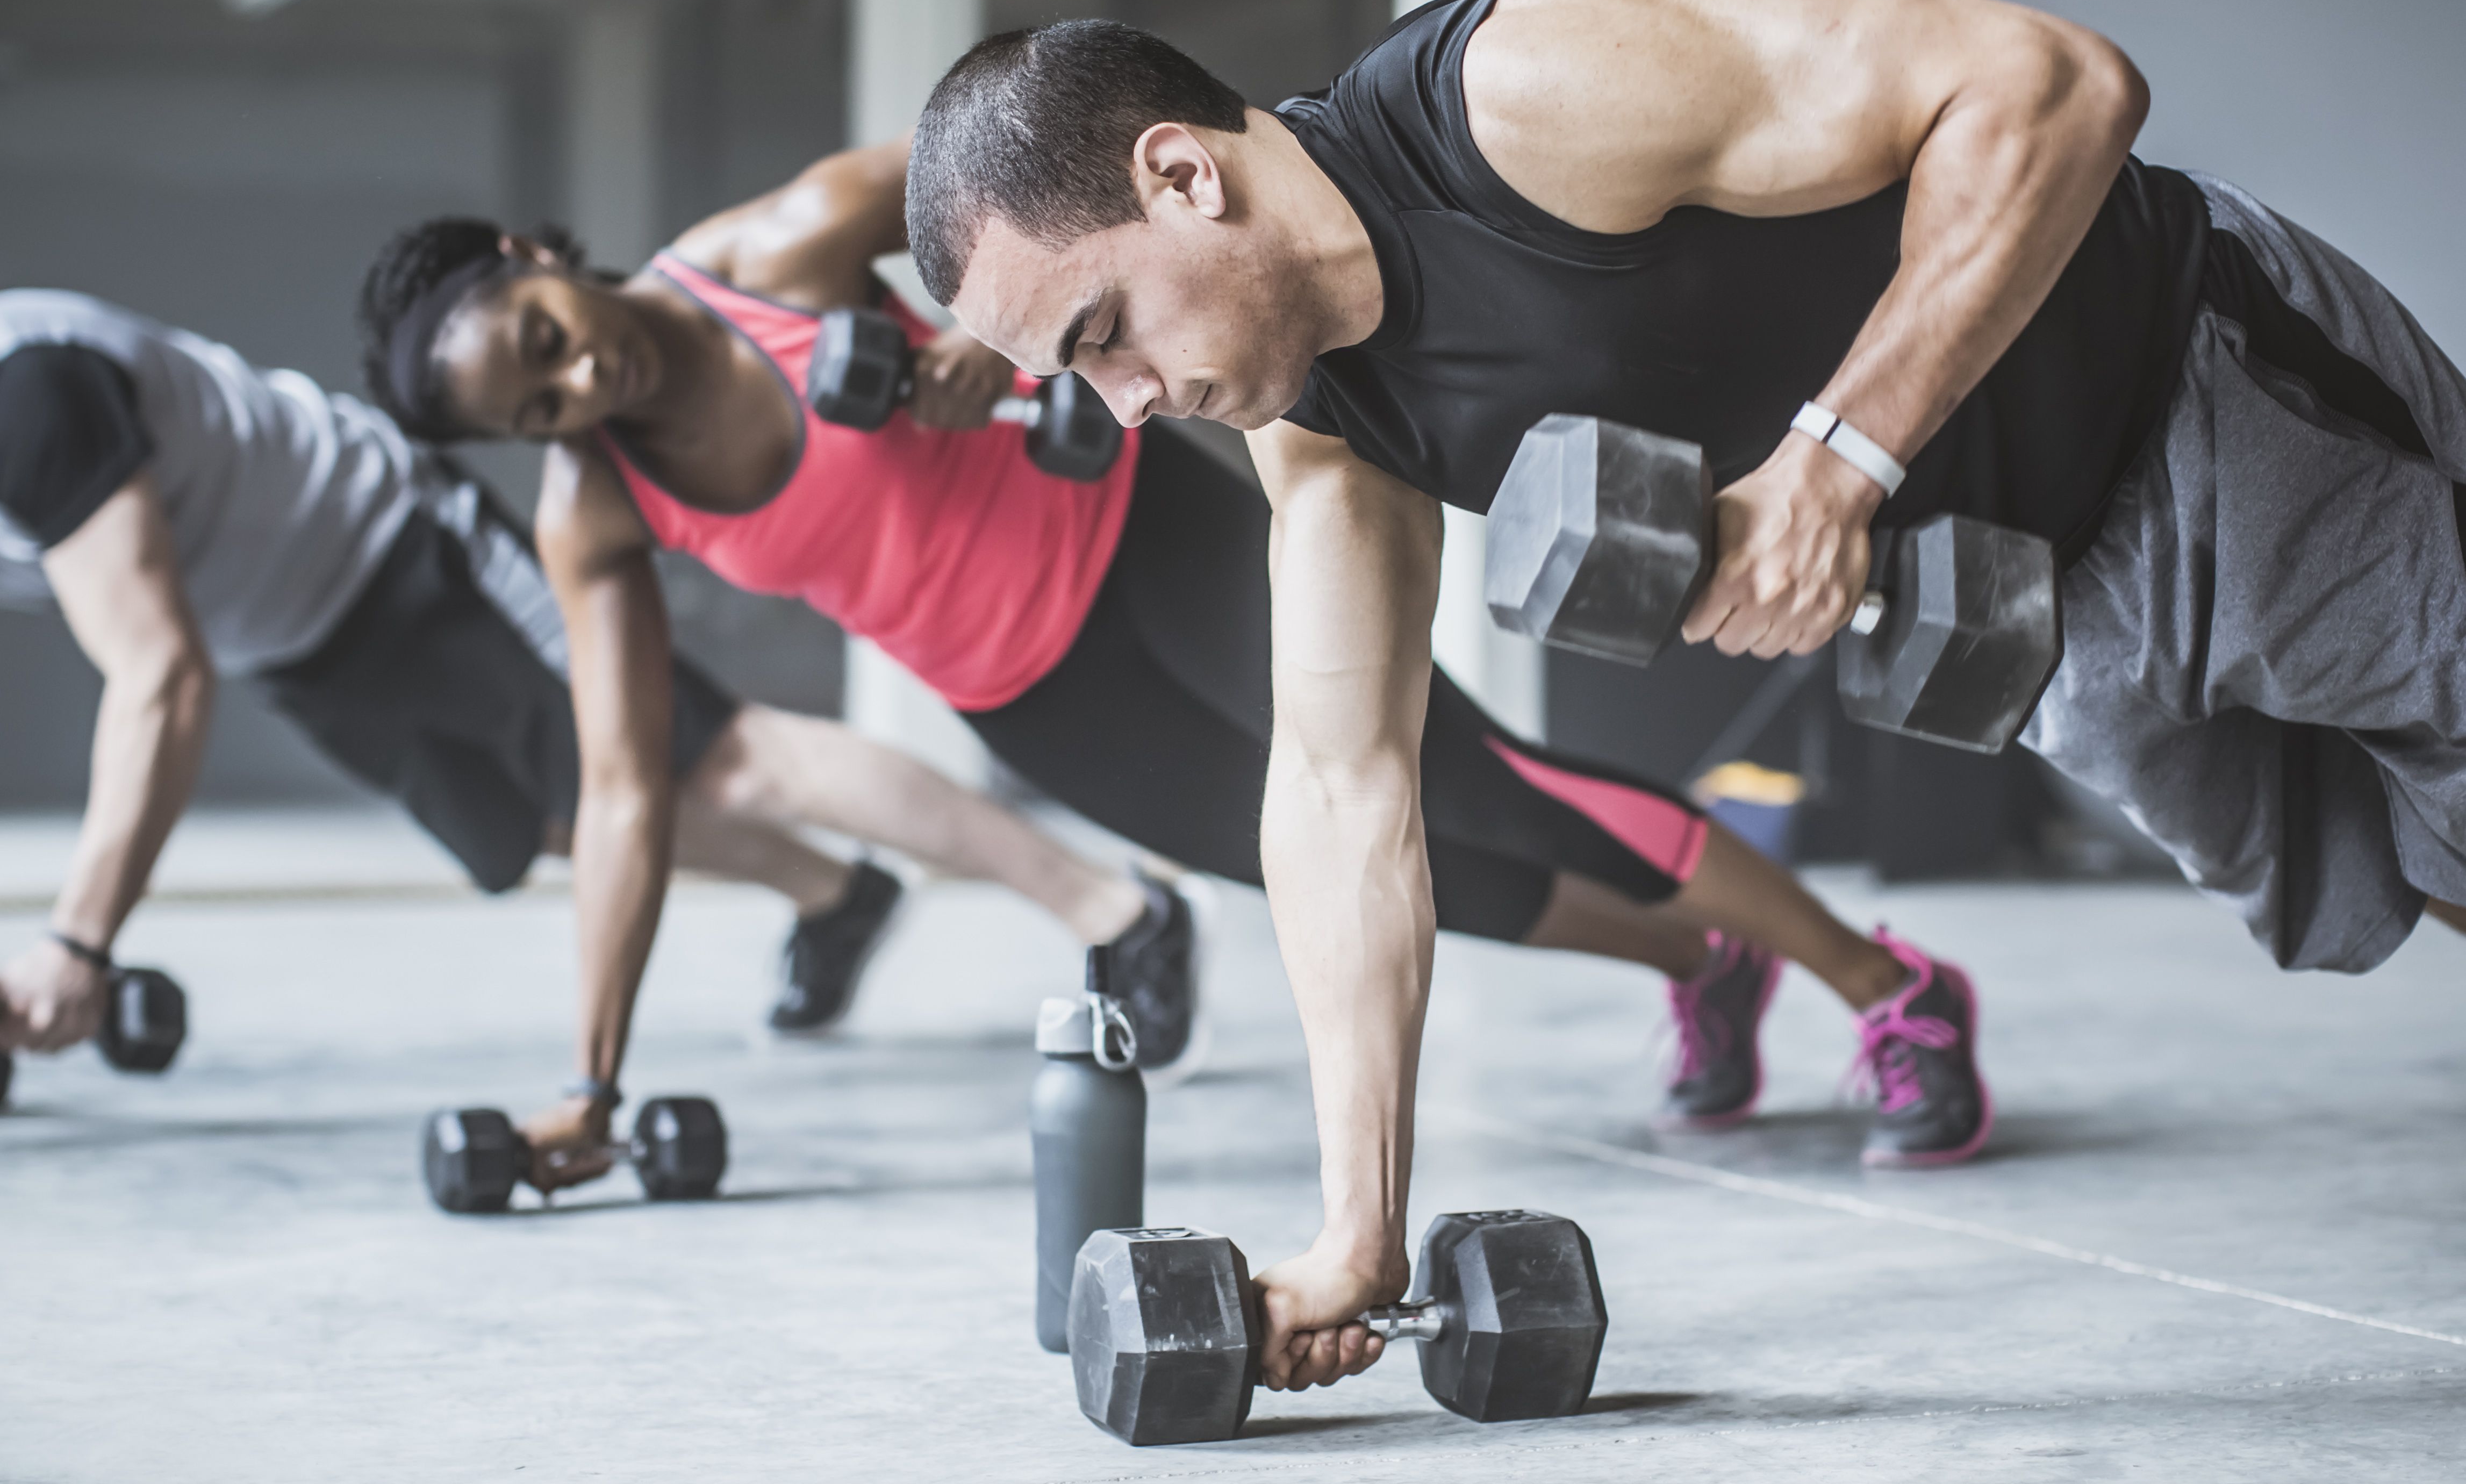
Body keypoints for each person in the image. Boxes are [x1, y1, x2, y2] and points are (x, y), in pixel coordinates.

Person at [906, 0, 2466, 1393]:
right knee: (2354, 886)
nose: (1116, 406)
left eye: (1102, 331)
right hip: (2019, 603)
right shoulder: (1323, 436)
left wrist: (1833, 461)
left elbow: (2053, 83)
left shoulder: (1528, 91)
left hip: (2194, 385)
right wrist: (1354, 1234)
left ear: (1180, 174)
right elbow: (1338, 791)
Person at [355, 135, 1967, 1202]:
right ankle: (1702, 964)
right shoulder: (598, 513)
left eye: (544, 335)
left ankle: (1887, 990)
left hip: (1142, 542)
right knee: (1411, 881)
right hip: (1035, 698)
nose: (579, 379)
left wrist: (978, 338)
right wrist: (589, 1079)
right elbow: (631, 789)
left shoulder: (769, 256)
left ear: (532, 255)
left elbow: (1011, 184)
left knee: (1471, 784)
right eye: (539, 407)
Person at [0, 295, 1174, 1158]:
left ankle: (1114, 908)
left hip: (391, 547)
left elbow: (156, 677)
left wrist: (79, 944)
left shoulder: (10, 401)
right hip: (300, 636)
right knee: (540, 823)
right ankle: (837, 894)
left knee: (700, 754)